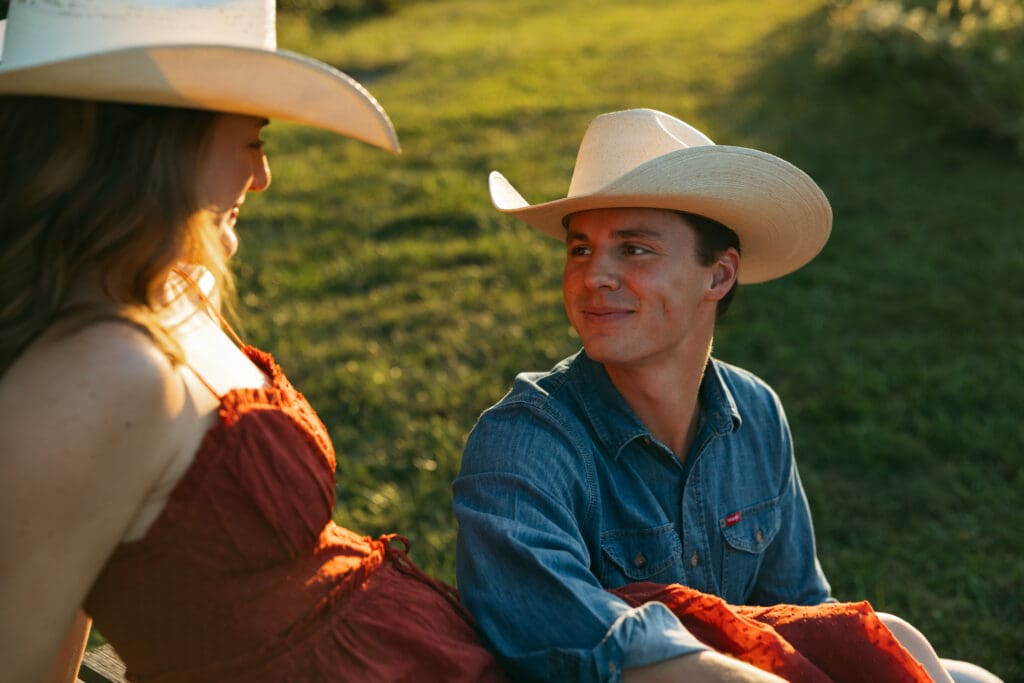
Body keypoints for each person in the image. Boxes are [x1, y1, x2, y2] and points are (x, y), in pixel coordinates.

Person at [0, 2, 507, 682]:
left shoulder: (177, 292)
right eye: (254, 140)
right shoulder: (89, 378)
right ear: (164, 141)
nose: (263, 177)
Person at [453, 108, 1003, 682]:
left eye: (634, 249)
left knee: (966, 677)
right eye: (581, 249)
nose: (594, 276)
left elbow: (801, 613)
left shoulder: (756, 412)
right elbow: (576, 640)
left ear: (718, 277)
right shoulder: (522, 443)